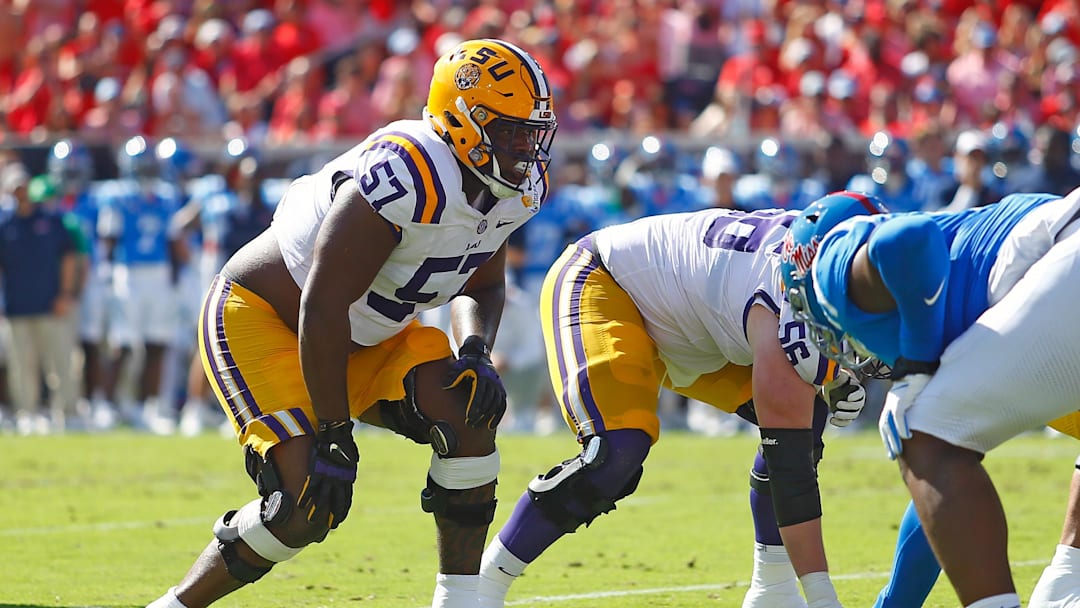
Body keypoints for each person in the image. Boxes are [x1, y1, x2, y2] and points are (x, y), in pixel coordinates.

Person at [144, 38, 557, 608]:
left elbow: (481, 283)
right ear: (463, 122)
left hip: (371, 331)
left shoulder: (513, 188)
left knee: (467, 411)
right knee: (304, 504)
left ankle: (461, 600)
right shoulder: (406, 173)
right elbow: (322, 303)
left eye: (531, 131)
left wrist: (475, 351)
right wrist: (336, 433)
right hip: (268, 320)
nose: (524, 147)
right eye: (510, 129)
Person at [477, 206, 872, 608]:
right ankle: (483, 586)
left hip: (695, 326)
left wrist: (833, 375)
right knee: (617, 452)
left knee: (807, 418)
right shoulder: (779, 296)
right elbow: (789, 462)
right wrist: (823, 597)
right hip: (606, 284)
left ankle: (773, 591)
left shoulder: (809, 267)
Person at [779, 188, 1080, 607]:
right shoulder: (946, 263)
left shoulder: (834, 264)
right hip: (1060, 249)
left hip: (1064, 258)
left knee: (923, 430)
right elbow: (937, 505)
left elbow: (910, 238)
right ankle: (1069, 580)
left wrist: (915, 365)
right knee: (938, 443)